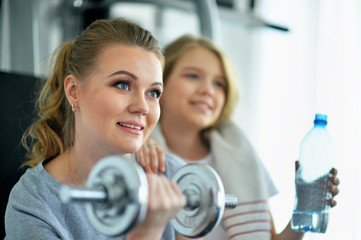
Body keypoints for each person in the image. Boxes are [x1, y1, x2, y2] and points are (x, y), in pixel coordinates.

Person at [136, 35, 340, 240]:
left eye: (219, 84)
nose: (208, 90)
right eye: (192, 76)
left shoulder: (242, 160)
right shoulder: (138, 152)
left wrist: (304, 209)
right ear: (160, 83)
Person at [4, 18, 187, 240]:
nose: (142, 107)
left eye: (153, 93)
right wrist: (146, 232)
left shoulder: (172, 175)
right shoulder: (34, 205)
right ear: (74, 91)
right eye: (122, 84)